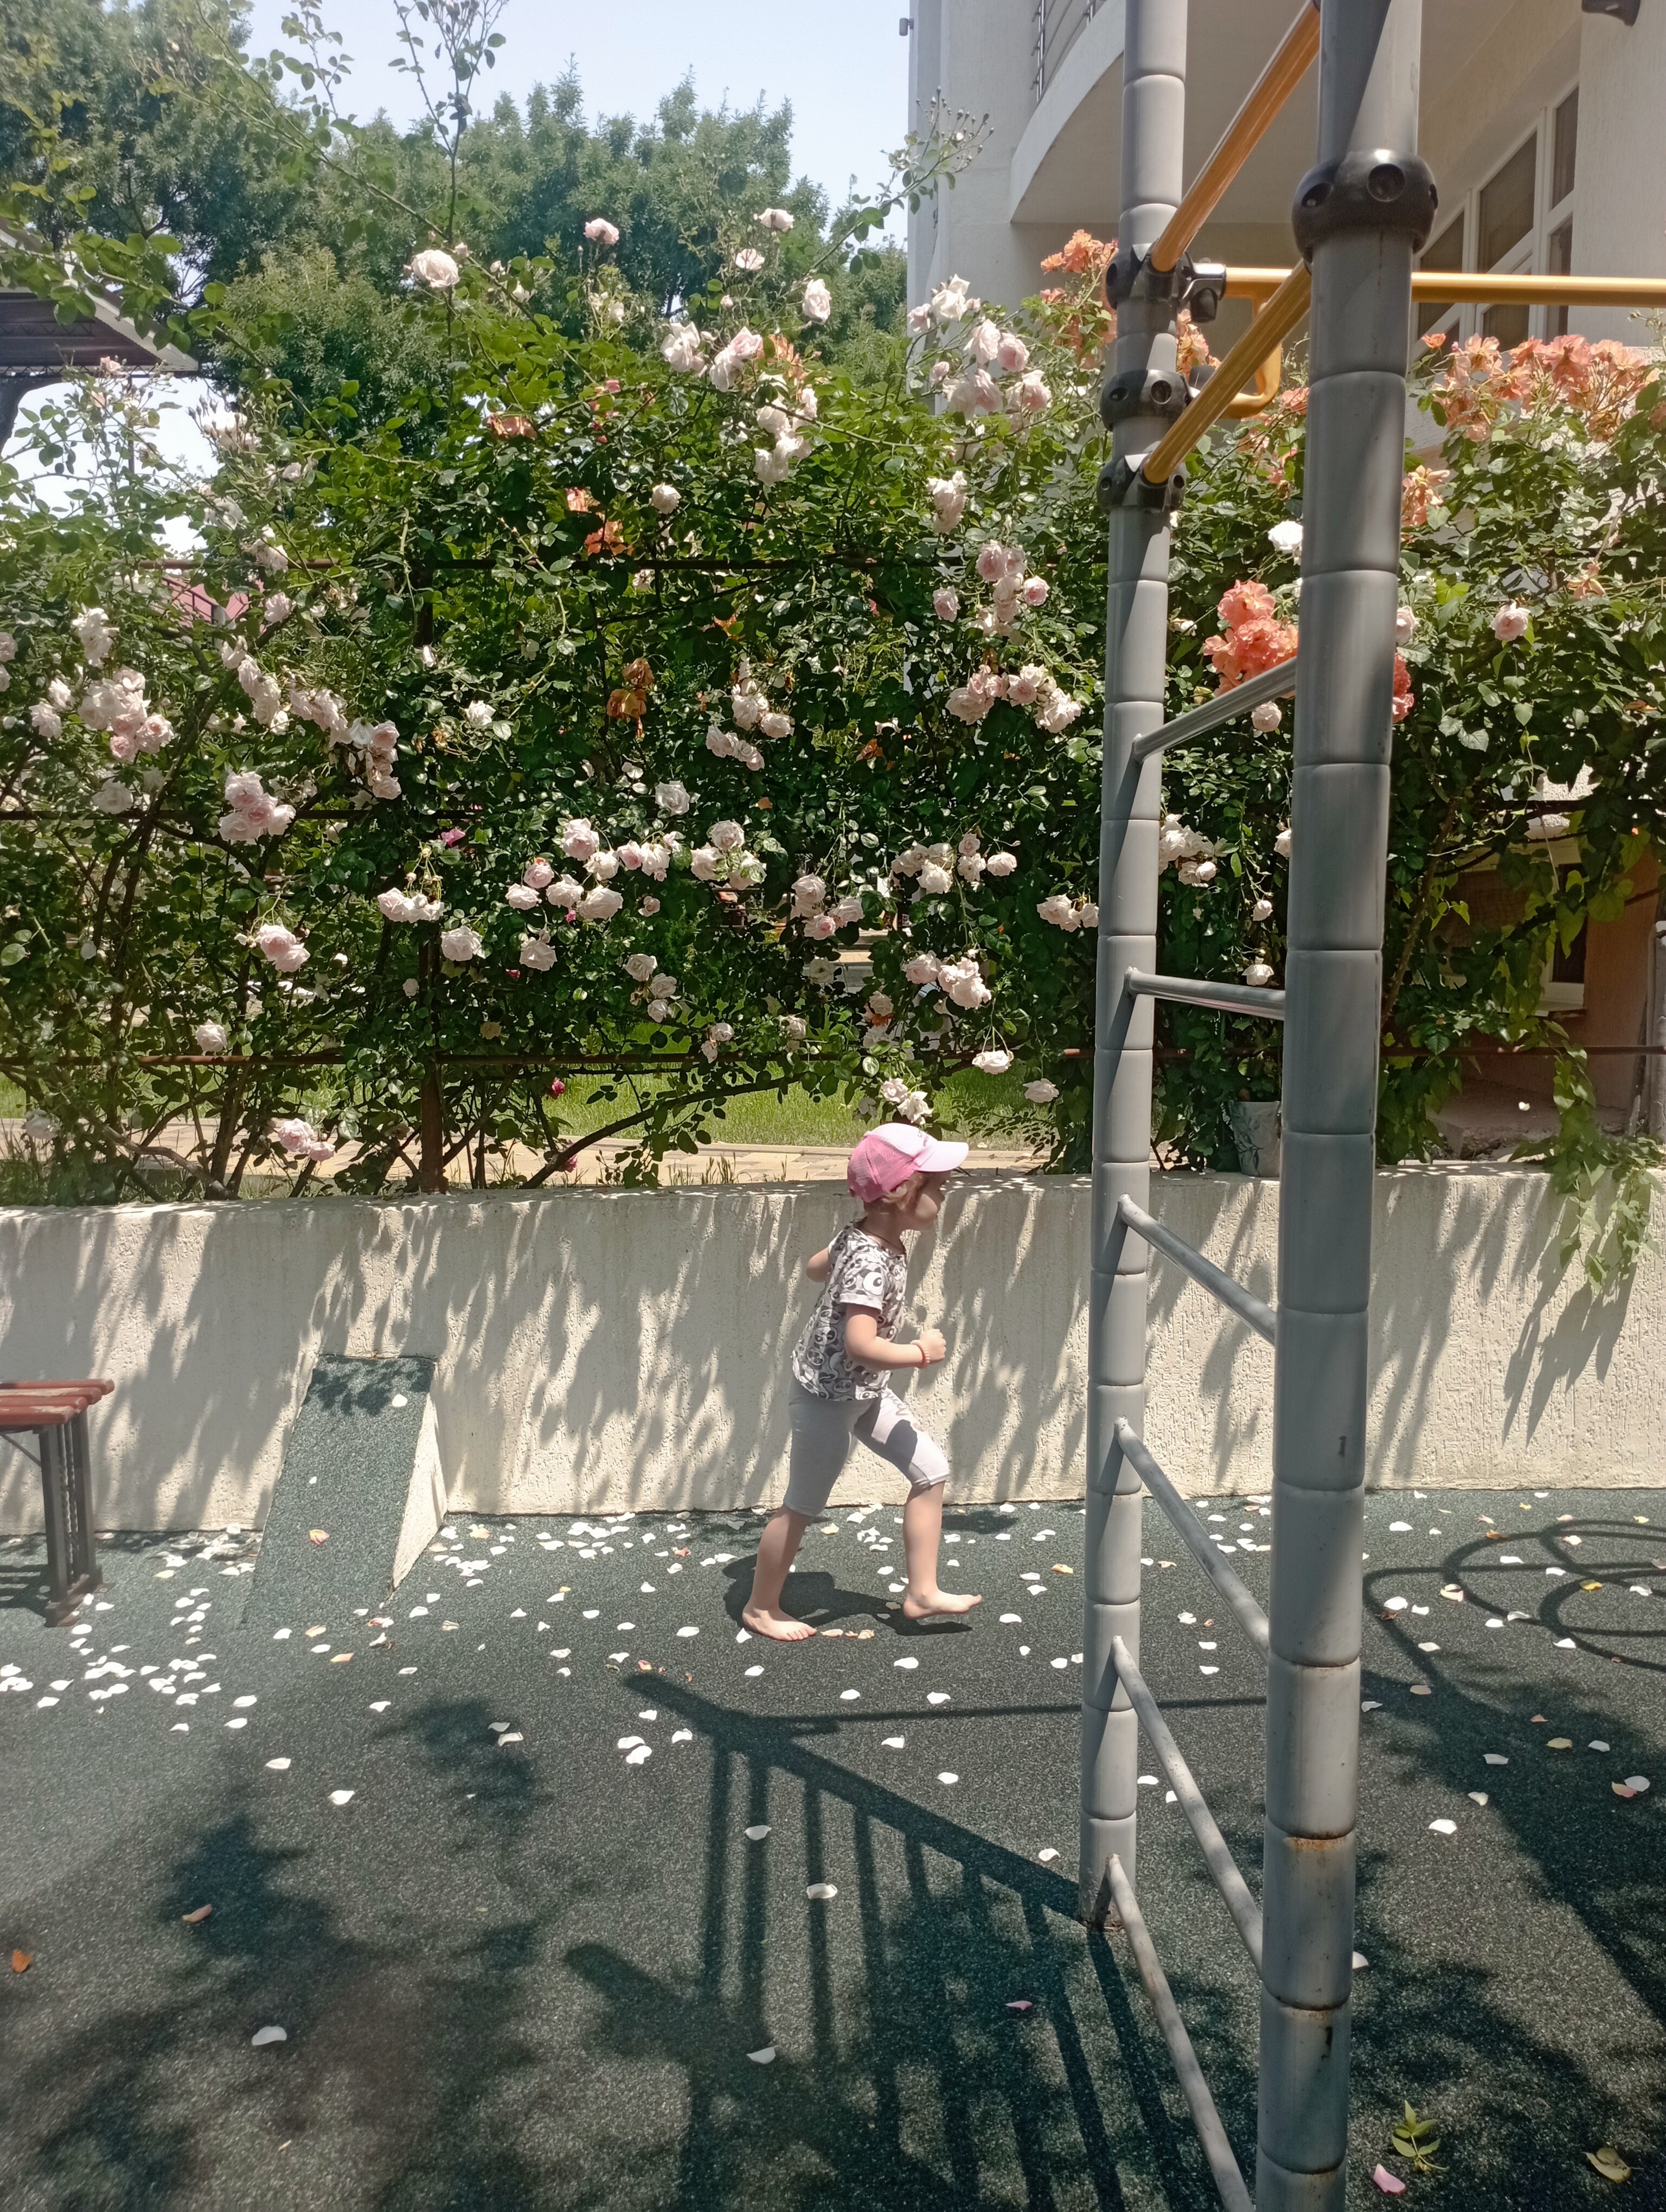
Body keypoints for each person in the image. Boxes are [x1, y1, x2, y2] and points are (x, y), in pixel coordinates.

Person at [741, 1122, 983, 1641]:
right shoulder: (872, 1259)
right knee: (802, 1505)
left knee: (931, 1471)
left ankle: (922, 1592)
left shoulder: (860, 1235)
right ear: (899, 1193)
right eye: (937, 1186)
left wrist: (835, 1268)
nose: (943, 1196)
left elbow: (814, 1268)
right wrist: (920, 1353)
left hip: (863, 1390)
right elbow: (860, 1344)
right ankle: (760, 1607)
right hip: (826, 1398)